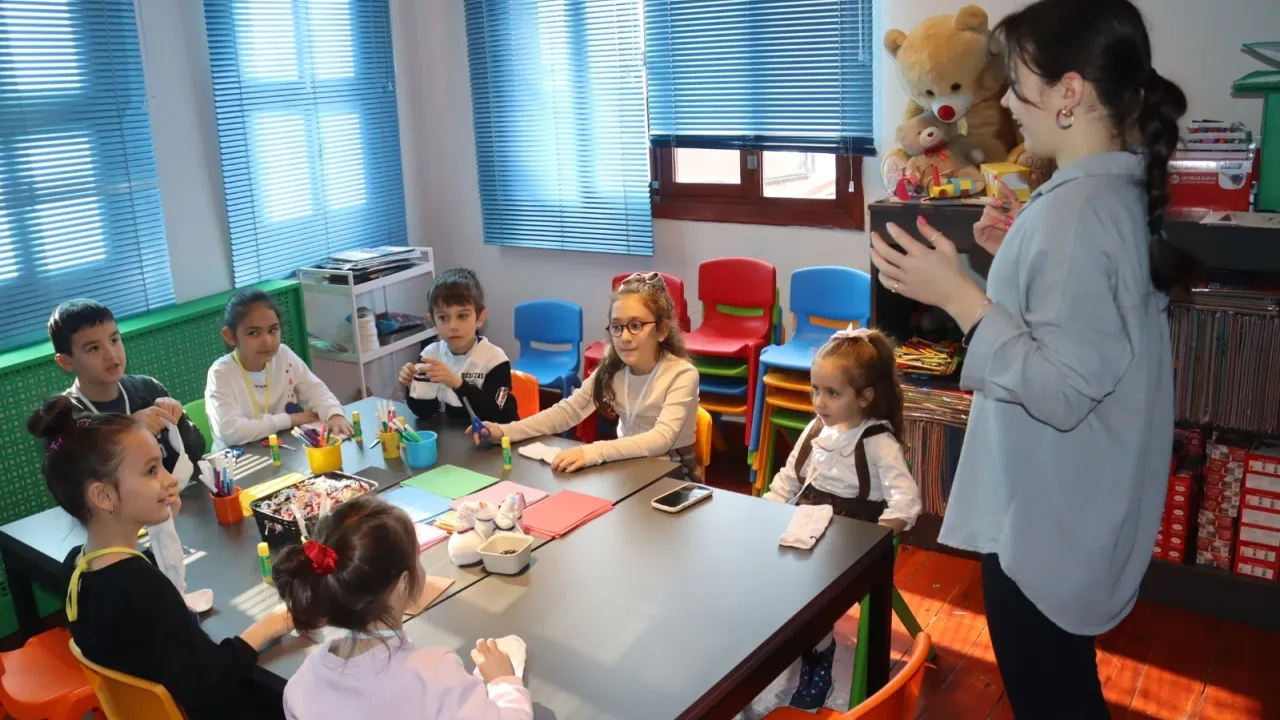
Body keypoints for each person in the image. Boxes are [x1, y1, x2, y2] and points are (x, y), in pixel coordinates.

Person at [868, 1, 1193, 715]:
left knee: (1054, 697)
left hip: (1047, 522)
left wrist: (960, 298)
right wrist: (1006, 261)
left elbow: (1063, 389)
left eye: (1017, 85)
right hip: (1069, 509)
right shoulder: (1098, 196)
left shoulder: (1076, 215)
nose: (1009, 104)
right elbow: (1069, 330)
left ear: (1069, 93)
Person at [29, 396, 293, 720]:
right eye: (152, 470)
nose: (169, 479)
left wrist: (164, 532)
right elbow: (212, 680)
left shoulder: (76, 567)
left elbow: (138, 614)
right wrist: (271, 625)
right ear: (104, 496)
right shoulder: (142, 586)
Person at [762, 326, 921, 709]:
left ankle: (819, 655)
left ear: (865, 397)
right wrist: (765, 513)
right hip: (808, 527)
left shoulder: (878, 442)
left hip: (852, 541)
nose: (819, 402)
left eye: (832, 393)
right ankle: (786, 641)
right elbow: (788, 478)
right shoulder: (816, 430)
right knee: (764, 571)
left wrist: (876, 541)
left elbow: (906, 502)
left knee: (809, 594)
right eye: (815, 390)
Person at [273, 495, 533, 720]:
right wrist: (504, 682)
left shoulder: (302, 683)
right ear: (404, 583)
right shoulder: (434, 675)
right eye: (418, 558)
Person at [471, 273, 701, 481]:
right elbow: (568, 411)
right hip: (629, 462)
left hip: (674, 468)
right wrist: (506, 430)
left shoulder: (681, 374)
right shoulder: (613, 368)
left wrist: (592, 451)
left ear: (661, 330)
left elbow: (661, 438)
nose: (625, 337)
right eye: (617, 327)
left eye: (636, 325)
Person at [50, 299, 206, 479]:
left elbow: (196, 452)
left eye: (114, 340)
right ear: (66, 362)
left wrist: (178, 421)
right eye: (94, 348)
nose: (111, 354)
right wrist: (126, 433)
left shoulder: (148, 389)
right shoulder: (64, 417)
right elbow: (76, 484)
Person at [206, 289, 354, 447]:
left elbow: (316, 391)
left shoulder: (283, 355)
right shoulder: (220, 373)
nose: (267, 341)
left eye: (273, 330)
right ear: (230, 336)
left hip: (284, 448)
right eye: (254, 333)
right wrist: (290, 419)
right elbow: (230, 431)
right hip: (238, 457)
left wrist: (333, 414)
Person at [397, 268, 518, 424]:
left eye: (462, 316)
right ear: (433, 321)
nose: (453, 326)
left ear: (480, 318)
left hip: (492, 436)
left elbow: (499, 415)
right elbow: (425, 413)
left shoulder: (495, 360)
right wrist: (412, 386)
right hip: (451, 435)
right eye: (443, 317)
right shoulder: (430, 355)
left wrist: (458, 384)